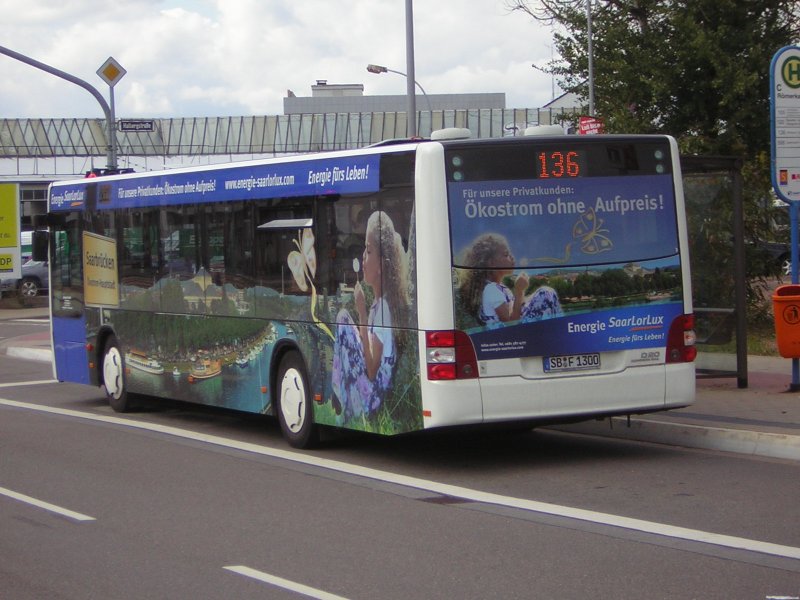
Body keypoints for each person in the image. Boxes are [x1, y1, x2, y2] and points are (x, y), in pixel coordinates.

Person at [332, 211, 410, 420]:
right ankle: (340, 395)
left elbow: (372, 369)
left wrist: (362, 312)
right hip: (373, 388)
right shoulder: (381, 302)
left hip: (373, 396)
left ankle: (342, 398)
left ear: (382, 265)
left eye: (368, 251)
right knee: (346, 321)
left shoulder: (383, 308)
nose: (363, 258)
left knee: (343, 319)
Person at [459, 233, 561, 329]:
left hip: (510, 336)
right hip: (508, 337)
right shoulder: (491, 290)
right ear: (491, 263)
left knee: (542, 293)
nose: (511, 257)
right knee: (546, 293)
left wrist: (527, 297)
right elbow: (511, 324)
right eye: (506, 254)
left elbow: (514, 308)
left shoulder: (497, 287)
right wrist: (519, 290)